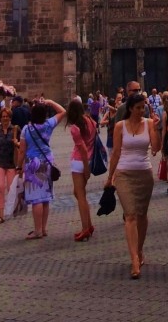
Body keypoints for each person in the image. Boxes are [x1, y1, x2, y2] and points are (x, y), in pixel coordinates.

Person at [104, 91, 161, 279]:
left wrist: (158, 128)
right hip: (124, 174)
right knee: (130, 215)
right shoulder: (120, 126)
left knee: (142, 215)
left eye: (143, 107)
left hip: (144, 173)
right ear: (130, 109)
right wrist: (109, 177)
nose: (141, 110)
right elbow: (116, 153)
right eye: (138, 108)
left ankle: (139, 249)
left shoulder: (150, 123)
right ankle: (134, 259)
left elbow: (156, 148)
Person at [17, 98, 66, 239]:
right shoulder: (48, 124)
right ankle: (43, 229)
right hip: (48, 162)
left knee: (36, 199)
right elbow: (63, 111)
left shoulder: (27, 129)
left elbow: (21, 150)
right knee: (45, 198)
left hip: (33, 164)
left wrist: (19, 167)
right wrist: (50, 102)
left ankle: (37, 230)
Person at [66, 97, 97, 241]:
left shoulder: (75, 128)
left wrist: (86, 169)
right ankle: (89, 225)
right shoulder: (90, 121)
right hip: (87, 160)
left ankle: (85, 228)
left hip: (80, 161)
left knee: (81, 196)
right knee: (78, 193)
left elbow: (83, 149)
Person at [0, 107, 18, 224]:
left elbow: (21, 147)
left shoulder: (15, 130)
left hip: (11, 163)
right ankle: (0, 215)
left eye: (7, 116)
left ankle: (13, 209)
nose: (5, 118)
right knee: (0, 187)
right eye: (3, 116)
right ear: (0, 118)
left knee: (11, 189)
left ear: (10, 118)